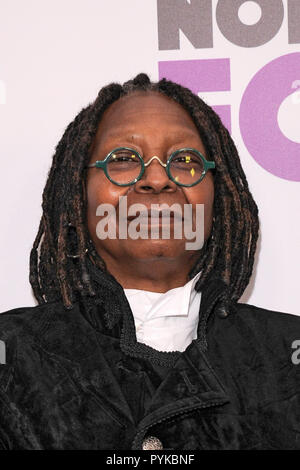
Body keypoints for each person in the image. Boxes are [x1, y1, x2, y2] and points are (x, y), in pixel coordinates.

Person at [0, 73, 299, 450]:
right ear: (78, 193)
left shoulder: (287, 353)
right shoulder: (10, 354)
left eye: (185, 159)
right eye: (124, 159)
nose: (157, 179)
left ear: (217, 198)